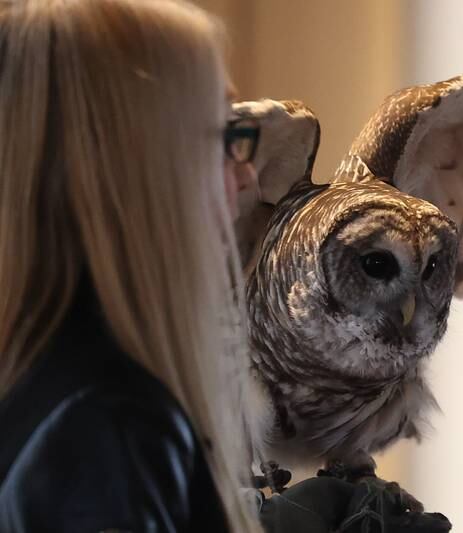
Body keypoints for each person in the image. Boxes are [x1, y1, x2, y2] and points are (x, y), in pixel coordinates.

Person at [0, 0, 260, 531]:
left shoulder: (42, 391)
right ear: (138, 170)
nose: (247, 179)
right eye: (226, 139)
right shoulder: (111, 430)